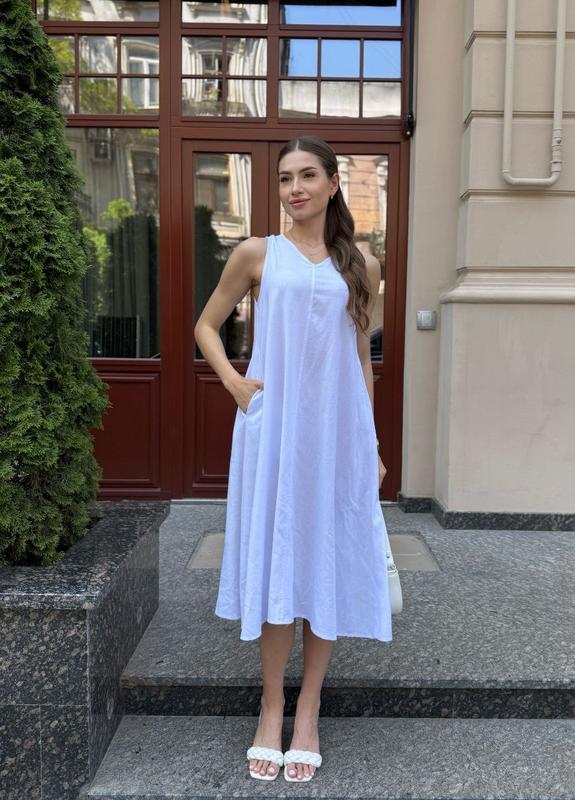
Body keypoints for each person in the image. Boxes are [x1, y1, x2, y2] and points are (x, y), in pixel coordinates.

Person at [194, 135, 393, 783]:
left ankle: (308, 710)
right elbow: (205, 325)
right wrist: (233, 382)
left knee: (323, 557)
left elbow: (361, 361)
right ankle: (271, 705)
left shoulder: (361, 264)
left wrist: (370, 445)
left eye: (308, 175)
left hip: (337, 435)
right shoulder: (257, 253)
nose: (295, 188)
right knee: (281, 557)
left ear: (333, 183)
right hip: (273, 431)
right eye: (285, 178)